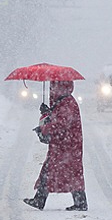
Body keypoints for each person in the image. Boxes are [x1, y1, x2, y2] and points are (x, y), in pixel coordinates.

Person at [23, 80, 88, 211]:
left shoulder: (67, 104)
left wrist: (44, 129)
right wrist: (47, 113)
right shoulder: (64, 102)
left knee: (59, 171)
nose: (51, 90)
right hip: (65, 145)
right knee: (63, 172)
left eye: (54, 87)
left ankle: (41, 200)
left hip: (67, 146)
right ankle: (41, 199)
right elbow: (57, 119)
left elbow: (60, 124)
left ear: (61, 88)